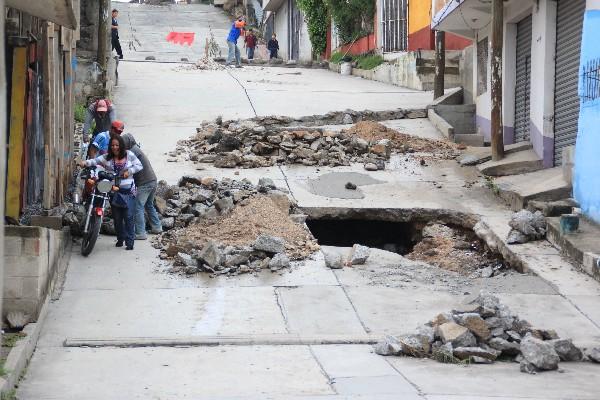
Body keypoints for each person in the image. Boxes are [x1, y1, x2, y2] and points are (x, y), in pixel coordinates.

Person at [80, 135, 143, 250]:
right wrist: (84, 162)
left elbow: (139, 165)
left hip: (129, 192)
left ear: (121, 146)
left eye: (117, 145)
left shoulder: (129, 155)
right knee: (117, 218)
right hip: (114, 191)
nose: (114, 147)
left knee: (128, 217)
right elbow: (95, 161)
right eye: (112, 145)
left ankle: (130, 243)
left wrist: (129, 171)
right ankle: (120, 239)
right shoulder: (106, 157)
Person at [121, 133, 163, 240]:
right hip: (152, 180)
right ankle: (157, 227)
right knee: (149, 205)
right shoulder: (136, 149)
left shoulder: (132, 152)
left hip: (145, 183)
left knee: (137, 207)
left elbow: (126, 167)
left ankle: (140, 233)